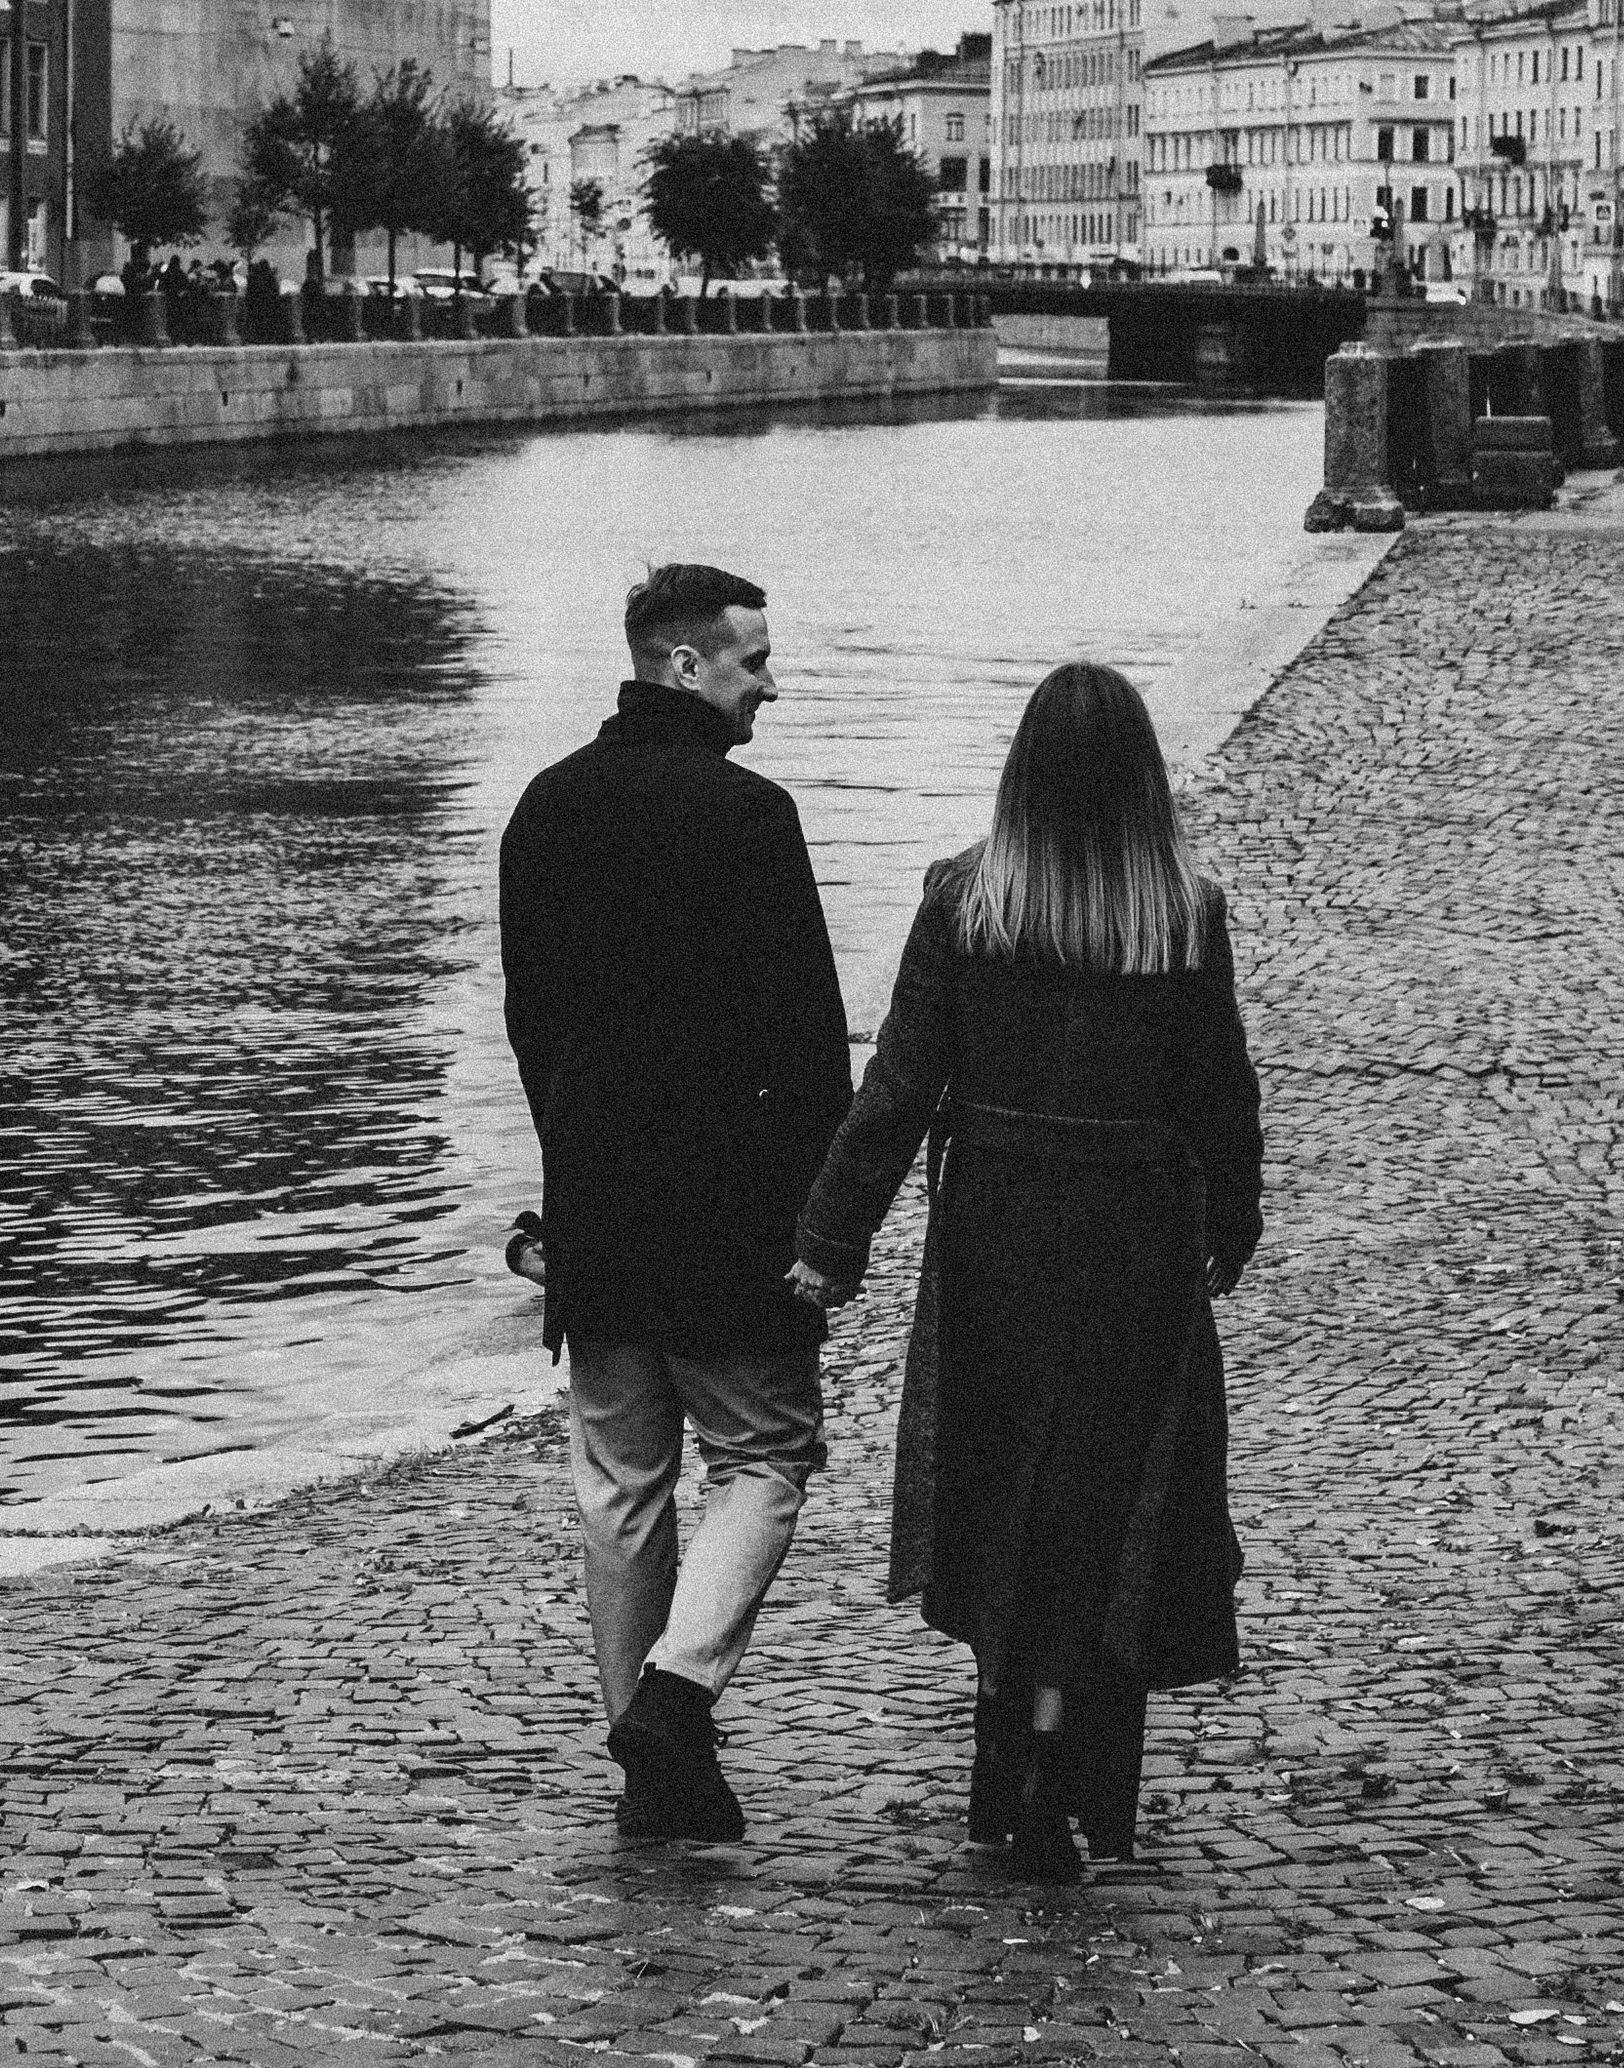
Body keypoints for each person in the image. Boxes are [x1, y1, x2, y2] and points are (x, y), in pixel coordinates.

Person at [788, 662, 1262, 1884]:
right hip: (1133, 1234)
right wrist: (1233, 1221)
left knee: (1002, 1494)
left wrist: (828, 1247)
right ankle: (1085, 1778)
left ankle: (1010, 1773)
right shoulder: (1179, 909)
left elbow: (896, 1086)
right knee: (1111, 1504)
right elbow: (1220, 1091)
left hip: (997, 1227)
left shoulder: (965, 898)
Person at [501, 563, 852, 1843]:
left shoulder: (543, 808)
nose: (771, 681)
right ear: (683, 664)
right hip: (730, 1208)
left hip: (596, 1199)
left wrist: (567, 1175)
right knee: (765, 1457)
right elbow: (809, 1045)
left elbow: (530, 1022)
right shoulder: (749, 816)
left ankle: (650, 1765)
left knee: (621, 1484)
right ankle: (675, 1692)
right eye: (753, 660)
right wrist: (823, 1226)